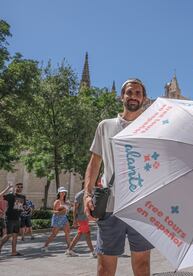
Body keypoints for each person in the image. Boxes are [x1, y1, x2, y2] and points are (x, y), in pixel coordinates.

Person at [83, 78, 153, 276]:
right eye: (129, 92)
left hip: (140, 207)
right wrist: (87, 195)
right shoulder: (105, 126)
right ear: (122, 96)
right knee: (105, 266)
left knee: (142, 266)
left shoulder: (150, 128)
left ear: (144, 99)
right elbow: (94, 163)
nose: (133, 96)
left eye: (138, 93)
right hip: (110, 206)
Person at [66, 185, 95, 257]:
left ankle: (69, 250)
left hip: (84, 218)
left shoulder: (89, 194)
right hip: (81, 219)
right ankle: (93, 252)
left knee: (79, 234)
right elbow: (75, 209)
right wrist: (74, 220)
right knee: (87, 234)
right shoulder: (80, 195)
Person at [41, 187, 71, 252]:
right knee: (54, 234)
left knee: (67, 232)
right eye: (62, 192)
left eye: (64, 192)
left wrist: (68, 207)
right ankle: (45, 246)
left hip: (64, 218)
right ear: (59, 193)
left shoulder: (66, 201)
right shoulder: (57, 201)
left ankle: (69, 248)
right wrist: (61, 211)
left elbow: (68, 209)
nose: (63, 193)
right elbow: (53, 211)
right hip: (57, 218)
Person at [0, 182, 26, 256]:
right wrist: (8, 188)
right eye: (18, 187)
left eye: (21, 187)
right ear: (15, 187)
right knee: (8, 235)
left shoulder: (23, 197)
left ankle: (13, 252)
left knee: (15, 235)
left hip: (17, 218)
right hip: (10, 218)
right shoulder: (11, 196)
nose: (20, 188)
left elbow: (22, 206)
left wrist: (24, 209)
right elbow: (0, 196)